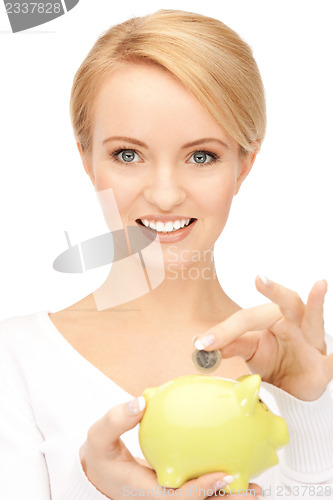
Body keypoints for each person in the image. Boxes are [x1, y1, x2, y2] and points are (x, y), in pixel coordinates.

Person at [1, 8, 333, 500]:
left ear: (244, 166)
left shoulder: (305, 369)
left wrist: (309, 409)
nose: (163, 195)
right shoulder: (15, 361)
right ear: (87, 160)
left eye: (202, 156)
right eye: (128, 154)